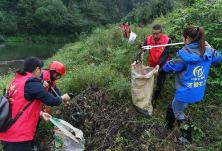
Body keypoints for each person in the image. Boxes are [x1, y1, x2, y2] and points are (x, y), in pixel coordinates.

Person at [153, 26, 221, 143]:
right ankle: (168, 124)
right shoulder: (207, 51)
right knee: (175, 104)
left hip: (184, 90)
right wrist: (209, 47)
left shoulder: (184, 52)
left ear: (188, 38)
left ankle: (186, 137)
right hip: (197, 88)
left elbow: (171, 66)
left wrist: (158, 72)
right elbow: (218, 57)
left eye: (183, 38)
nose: (183, 40)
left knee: (178, 112)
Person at [0, 57, 71, 151]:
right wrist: (63, 98)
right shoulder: (31, 82)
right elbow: (52, 101)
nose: (42, 72)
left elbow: (20, 104)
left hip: (9, 130)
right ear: (37, 69)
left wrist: (41, 113)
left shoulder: (16, 81)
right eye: (41, 69)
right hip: (18, 135)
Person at [131, 24, 171, 108]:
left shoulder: (167, 40)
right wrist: (135, 61)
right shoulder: (149, 39)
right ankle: (147, 98)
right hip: (151, 65)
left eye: (157, 34)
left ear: (161, 32)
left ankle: (154, 100)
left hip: (162, 66)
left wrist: (159, 65)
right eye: (153, 33)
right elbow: (142, 51)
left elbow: (166, 54)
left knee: (160, 84)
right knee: (149, 82)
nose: (155, 36)